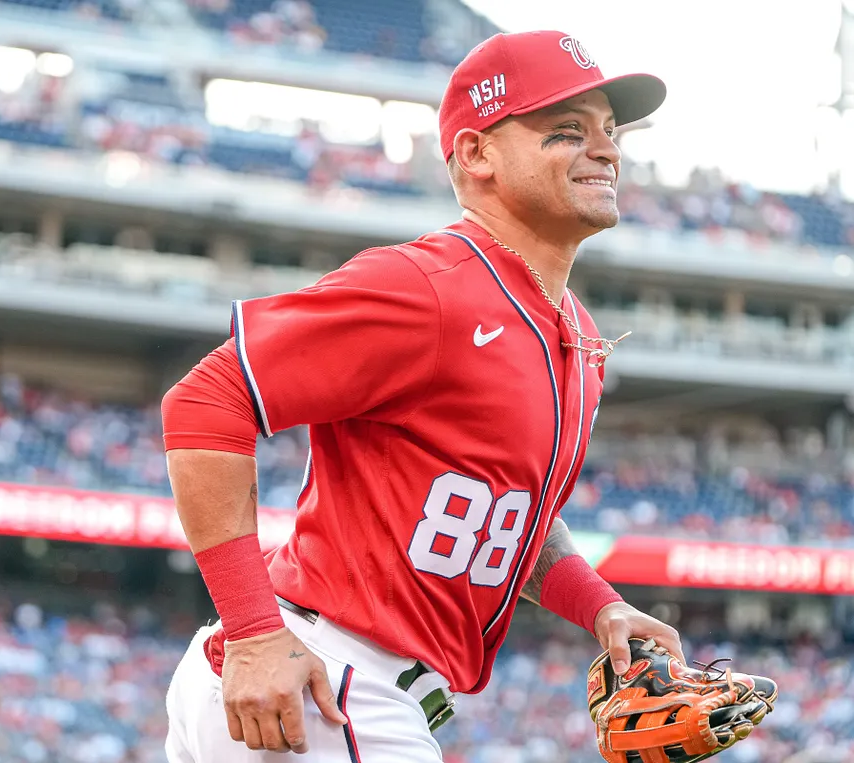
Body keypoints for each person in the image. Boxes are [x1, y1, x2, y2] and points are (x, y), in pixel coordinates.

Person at [161, 30, 683, 762]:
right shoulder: (431, 287)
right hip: (322, 677)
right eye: (567, 131)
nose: (606, 150)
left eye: (609, 130)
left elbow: (501, 517)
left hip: (344, 683)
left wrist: (599, 605)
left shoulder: (578, 334)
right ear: (476, 155)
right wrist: (251, 628)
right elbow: (206, 398)